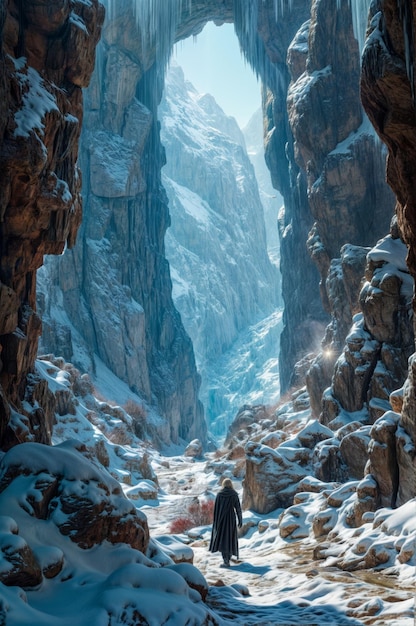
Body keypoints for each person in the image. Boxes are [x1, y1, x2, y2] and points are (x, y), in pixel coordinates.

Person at [209, 478, 243, 567]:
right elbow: (238, 509)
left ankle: (225, 560)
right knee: (230, 538)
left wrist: (216, 522)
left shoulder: (220, 495)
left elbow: (216, 509)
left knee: (223, 538)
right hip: (231, 519)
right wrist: (240, 520)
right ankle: (228, 558)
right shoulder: (234, 494)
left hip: (221, 520)